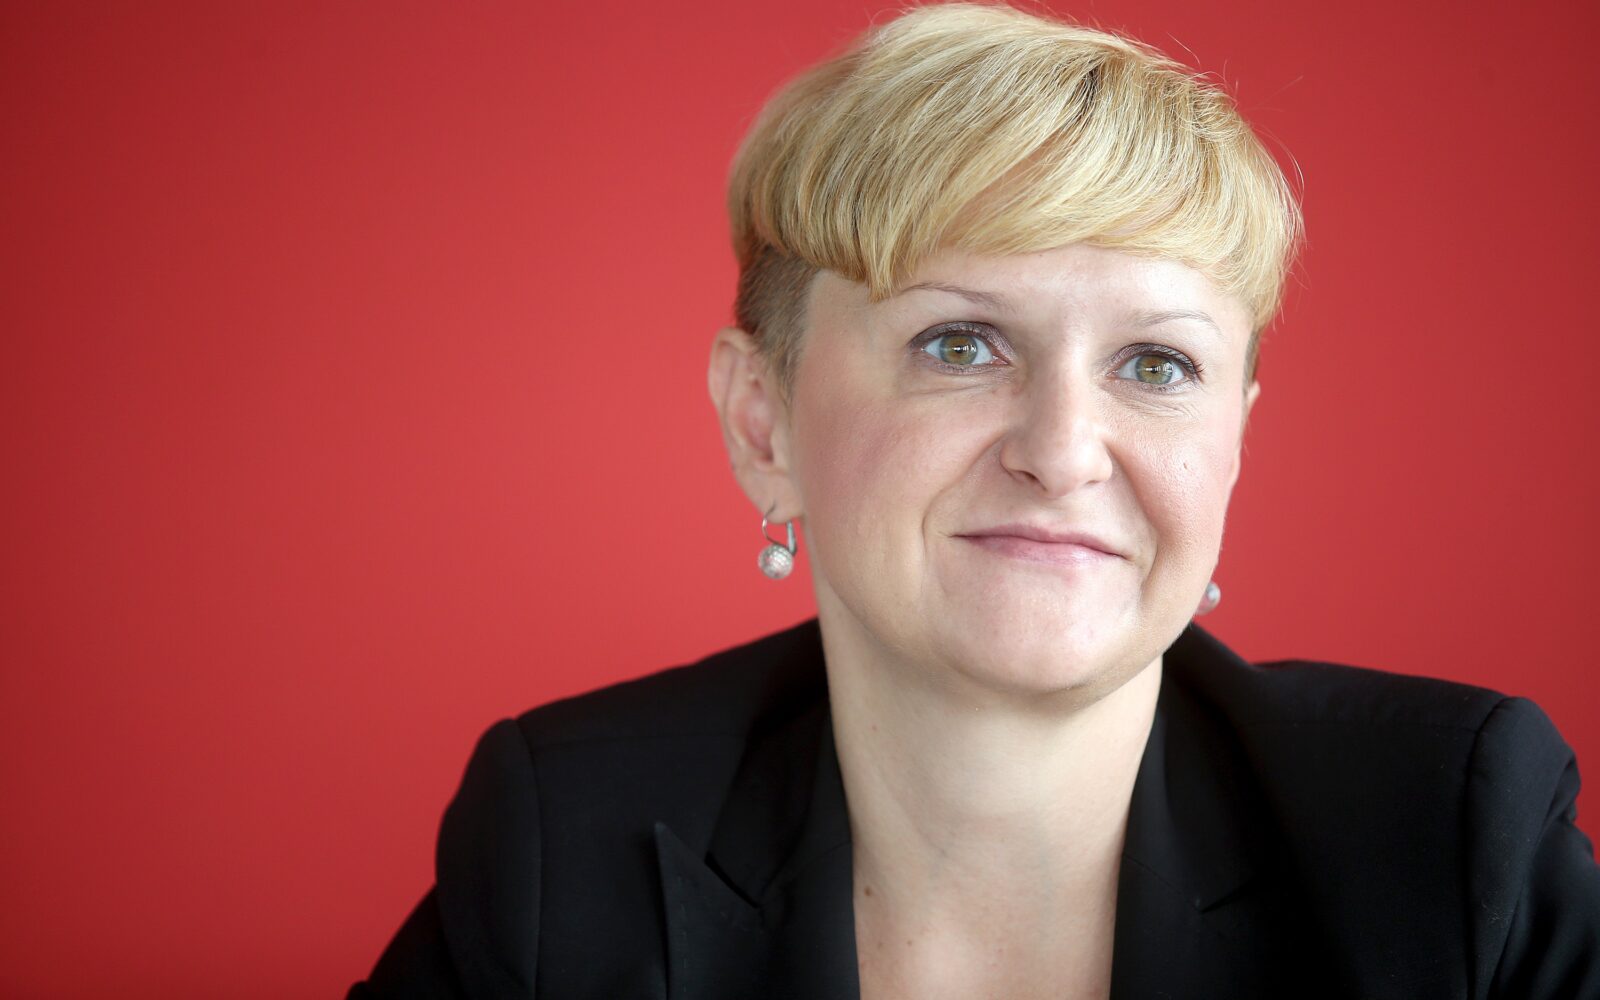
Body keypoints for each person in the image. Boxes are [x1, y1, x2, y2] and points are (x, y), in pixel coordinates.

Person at [350, 4, 1600, 997]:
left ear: (1232, 444)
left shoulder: (1451, 840)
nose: (1063, 452)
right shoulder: (563, 837)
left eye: (1155, 365)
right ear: (762, 421)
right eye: (958, 344)